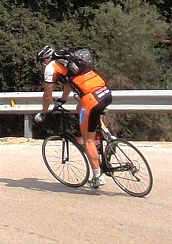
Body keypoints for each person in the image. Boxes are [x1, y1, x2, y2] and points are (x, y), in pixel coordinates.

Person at [33, 44, 113, 189]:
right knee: (79, 108)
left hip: (91, 100)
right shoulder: (67, 64)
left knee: (87, 139)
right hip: (104, 91)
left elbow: (47, 96)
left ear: (44, 60)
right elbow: (68, 84)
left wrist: (44, 112)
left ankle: (97, 177)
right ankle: (107, 135)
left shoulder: (51, 68)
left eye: (41, 63)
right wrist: (63, 99)